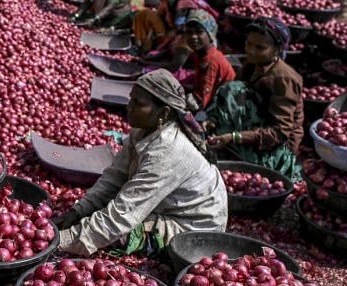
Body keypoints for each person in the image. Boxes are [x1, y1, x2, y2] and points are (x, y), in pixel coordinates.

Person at [54, 69, 227, 257]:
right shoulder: (144, 129)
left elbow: (125, 212)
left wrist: (61, 240)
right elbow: (114, 177)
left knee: (118, 235)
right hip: (163, 206)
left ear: (163, 112)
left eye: (138, 104)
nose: (129, 106)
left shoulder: (169, 151)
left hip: (191, 226)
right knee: (101, 218)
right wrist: (78, 211)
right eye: (131, 99)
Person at [205, 17, 303, 180]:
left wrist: (234, 137)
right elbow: (230, 100)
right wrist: (212, 120)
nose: (251, 51)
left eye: (260, 47)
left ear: (277, 50)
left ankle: (254, 161)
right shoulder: (252, 65)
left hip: (276, 146)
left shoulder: (283, 79)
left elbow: (280, 132)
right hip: (254, 126)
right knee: (231, 89)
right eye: (249, 44)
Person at [184, 9, 235, 109]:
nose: (193, 36)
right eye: (189, 32)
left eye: (199, 32)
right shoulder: (200, 54)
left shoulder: (212, 61)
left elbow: (202, 101)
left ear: (210, 35)